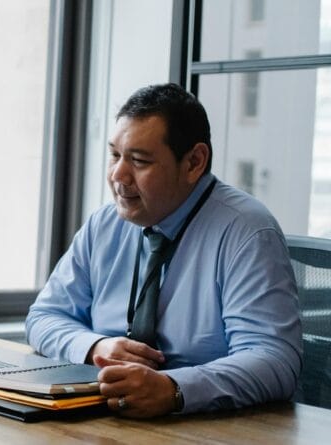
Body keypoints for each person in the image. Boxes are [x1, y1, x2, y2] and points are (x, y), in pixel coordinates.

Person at [25, 83, 302, 418]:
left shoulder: (247, 231)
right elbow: (44, 317)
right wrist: (96, 347)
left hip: (205, 428)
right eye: (115, 155)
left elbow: (274, 360)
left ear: (194, 163)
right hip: (108, 418)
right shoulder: (105, 224)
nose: (118, 175)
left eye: (139, 161)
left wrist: (175, 389)